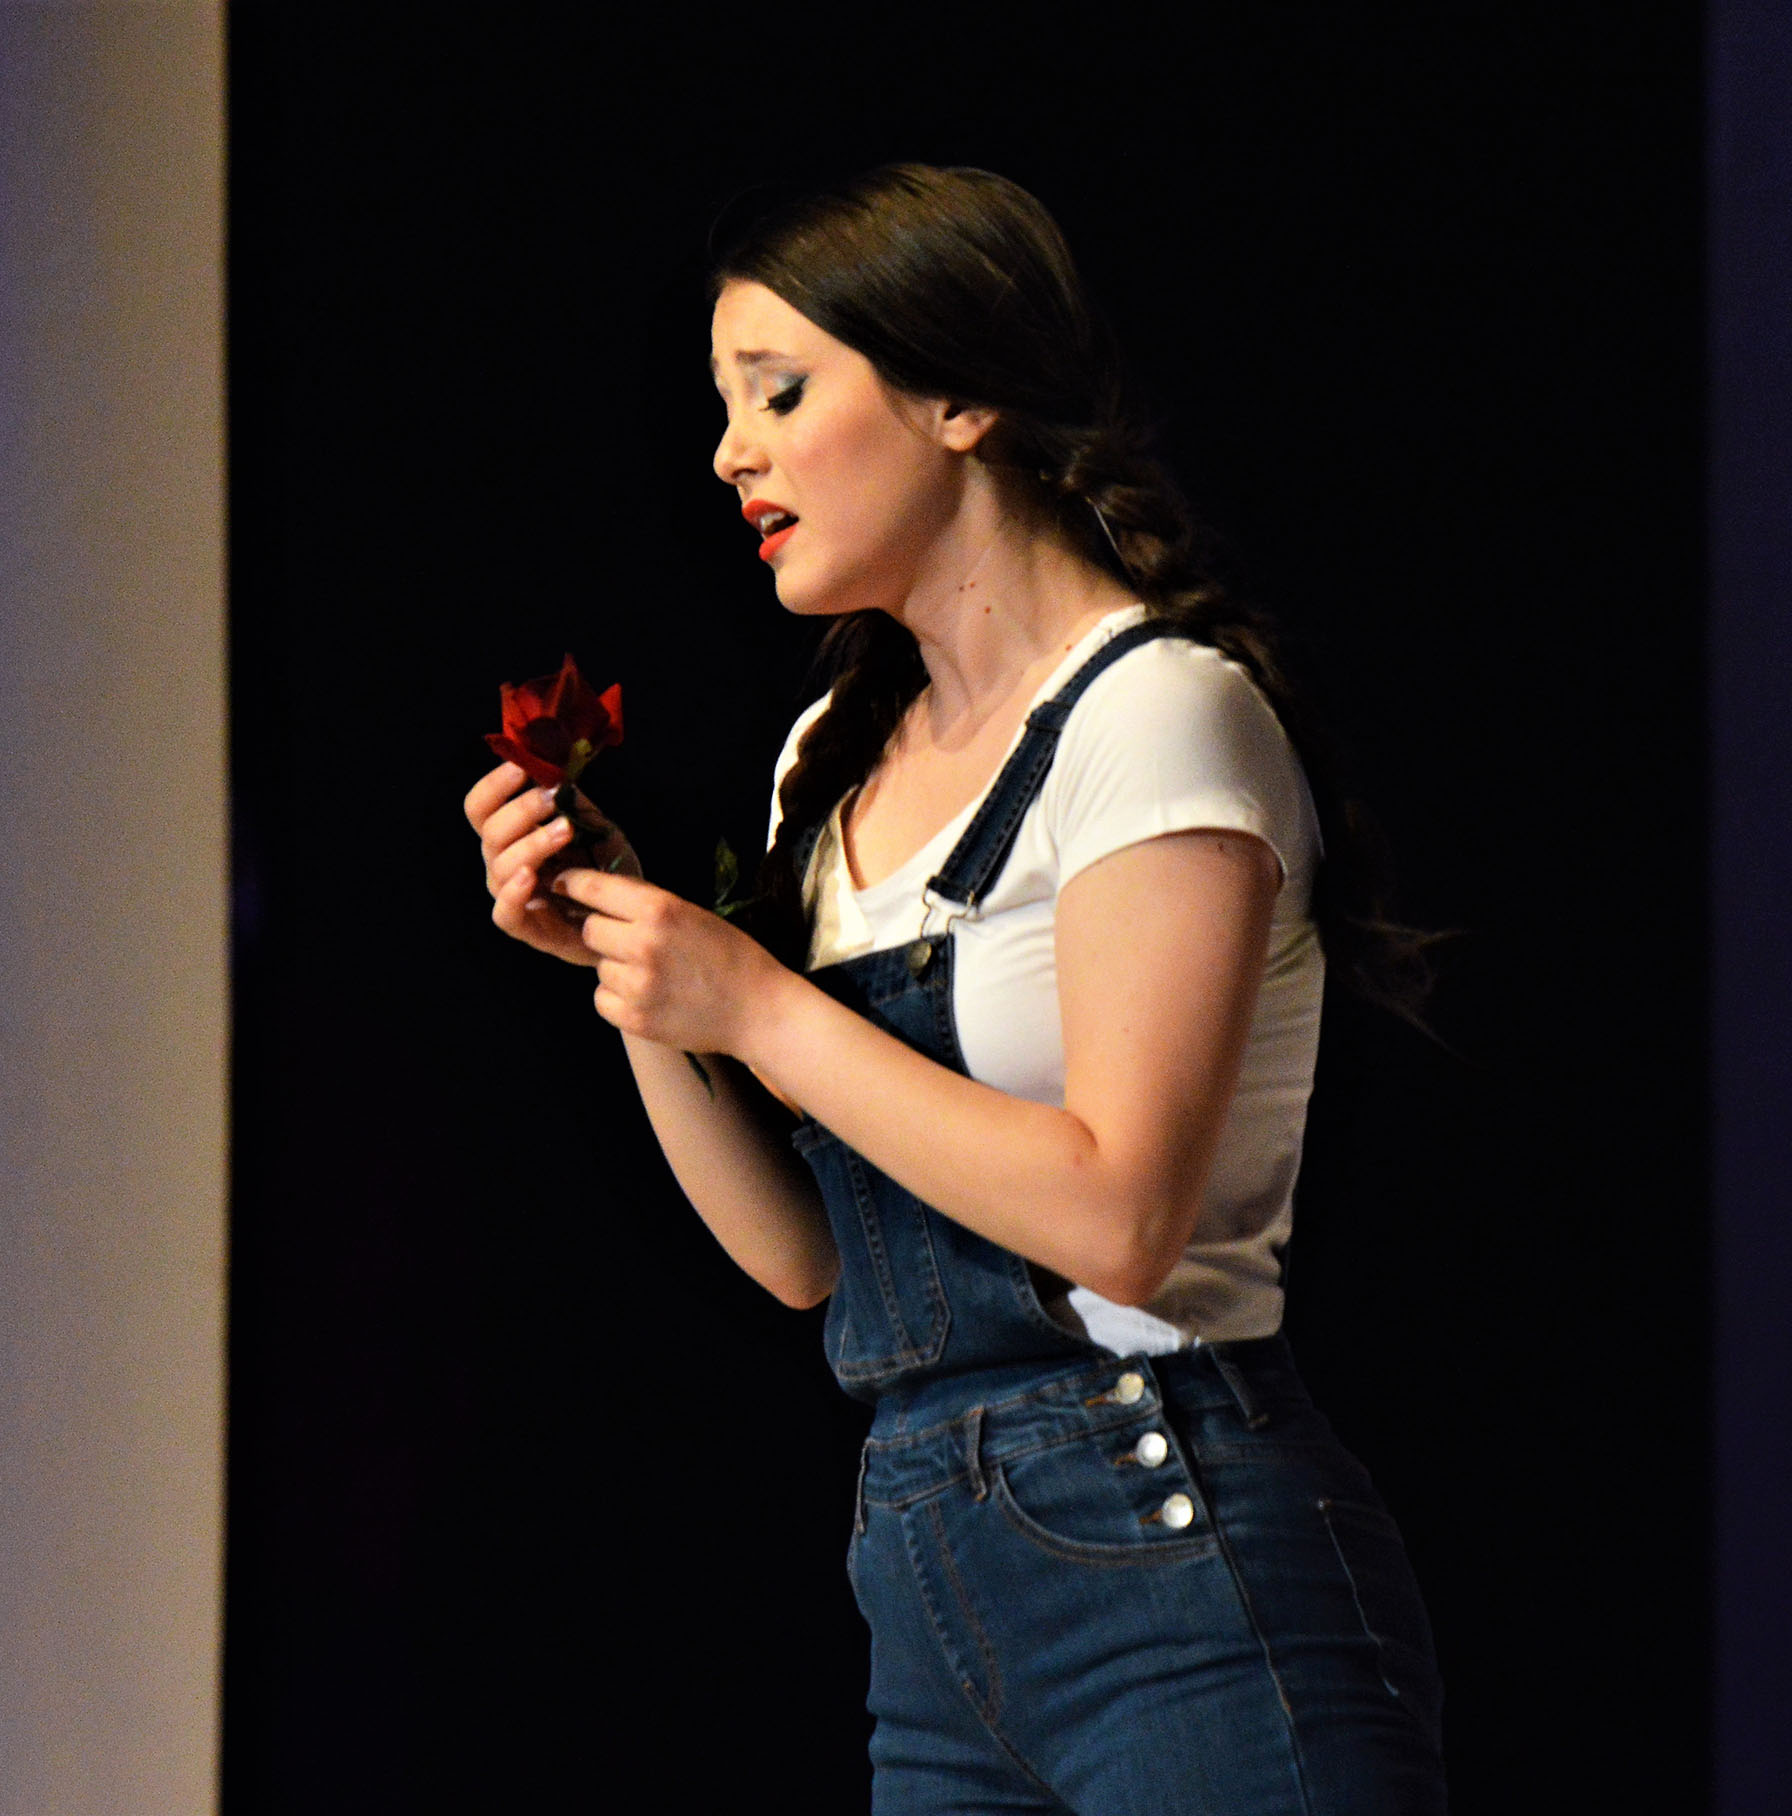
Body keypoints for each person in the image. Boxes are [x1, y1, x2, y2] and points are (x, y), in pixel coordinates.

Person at [463, 164, 1447, 1815]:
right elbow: (802, 1260)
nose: (731, 453)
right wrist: (641, 984)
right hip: (930, 1584)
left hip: (1176, 1548)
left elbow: (1121, 1215)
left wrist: (759, 1007)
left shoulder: (1155, 714)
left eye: (779, 391)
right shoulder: (832, 762)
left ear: (957, 397)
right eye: (724, 405)